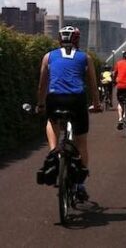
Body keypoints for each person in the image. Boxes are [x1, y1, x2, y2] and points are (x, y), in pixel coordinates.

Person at [36, 25, 101, 201]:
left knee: (51, 121)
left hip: (55, 97)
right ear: (77, 40)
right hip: (77, 100)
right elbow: (93, 85)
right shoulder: (85, 57)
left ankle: (53, 151)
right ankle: (80, 185)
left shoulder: (48, 56)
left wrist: (41, 104)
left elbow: (43, 84)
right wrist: (96, 104)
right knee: (82, 142)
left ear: (59, 39)